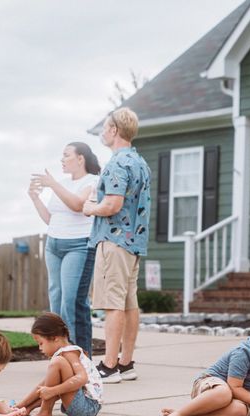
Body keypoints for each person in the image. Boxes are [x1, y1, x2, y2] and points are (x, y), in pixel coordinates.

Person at [82, 107, 151, 384]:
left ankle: (109, 366)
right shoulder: (139, 162)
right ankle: (125, 363)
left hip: (114, 240)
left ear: (114, 131)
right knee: (128, 302)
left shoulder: (116, 164)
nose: (102, 131)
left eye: (105, 127)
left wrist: (90, 207)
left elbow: (112, 204)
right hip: (134, 242)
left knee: (113, 304)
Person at [28, 142, 100, 359]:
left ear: (80, 159)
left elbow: (78, 205)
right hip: (54, 244)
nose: (62, 159)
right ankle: (59, 353)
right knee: (56, 301)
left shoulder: (93, 181)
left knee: (72, 301)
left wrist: (53, 184)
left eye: (66, 155)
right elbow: (51, 219)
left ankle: (79, 354)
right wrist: (35, 198)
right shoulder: (62, 183)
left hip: (78, 244)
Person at [16, 312, 103, 416]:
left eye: (41, 343)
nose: (40, 348)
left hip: (86, 407)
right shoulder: (66, 352)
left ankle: (44, 414)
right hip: (87, 406)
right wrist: (21, 406)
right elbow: (44, 387)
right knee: (50, 384)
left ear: (55, 338)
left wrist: (53, 391)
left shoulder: (68, 353)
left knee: (57, 363)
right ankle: (28, 408)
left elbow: (82, 378)